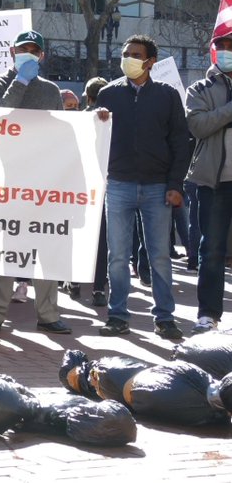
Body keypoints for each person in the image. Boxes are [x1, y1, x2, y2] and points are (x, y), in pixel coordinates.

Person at [0, 31, 71, 336]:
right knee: (5, 250)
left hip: (43, 183)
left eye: (34, 50)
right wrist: (20, 81)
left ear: (42, 56)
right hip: (7, 182)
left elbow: (61, 133)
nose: (29, 53)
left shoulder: (51, 90)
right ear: (11, 51)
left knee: (46, 249)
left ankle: (47, 314)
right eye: (23, 49)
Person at [95, 35, 187, 340]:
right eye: (125, 54)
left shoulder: (168, 95)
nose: (128, 59)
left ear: (150, 62)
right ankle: (117, 316)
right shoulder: (108, 94)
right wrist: (97, 120)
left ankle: (165, 318)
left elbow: (179, 142)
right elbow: (95, 138)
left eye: (135, 54)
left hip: (158, 186)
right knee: (117, 256)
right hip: (119, 184)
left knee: (159, 255)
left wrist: (175, 184)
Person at [183, 32, 232, 334]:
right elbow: (198, 126)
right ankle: (208, 315)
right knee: (211, 249)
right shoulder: (199, 88)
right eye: (222, 47)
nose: (226, 51)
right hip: (214, 183)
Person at [83, 76, 111, 307]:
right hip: (103, 186)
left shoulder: (80, 119)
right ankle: (99, 287)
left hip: (81, 187)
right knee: (101, 239)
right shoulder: (112, 121)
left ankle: (74, 281)